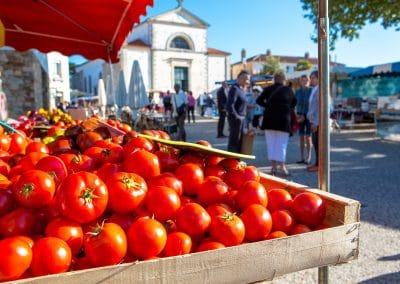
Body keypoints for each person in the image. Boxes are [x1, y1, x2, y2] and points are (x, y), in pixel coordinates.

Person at [256, 71, 297, 176]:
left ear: (274, 79)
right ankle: (282, 167)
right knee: (282, 144)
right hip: (284, 120)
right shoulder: (289, 90)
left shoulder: (268, 89)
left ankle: (273, 167)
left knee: (271, 144)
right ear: (284, 79)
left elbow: (259, 100)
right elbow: (294, 103)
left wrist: (268, 106)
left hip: (269, 120)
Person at [226, 70, 250, 153]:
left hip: (242, 119)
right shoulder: (234, 89)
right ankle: (232, 162)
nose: (248, 81)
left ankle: (237, 162)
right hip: (236, 120)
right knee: (234, 142)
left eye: (248, 79)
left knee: (239, 142)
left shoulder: (242, 90)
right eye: (246, 79)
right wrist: (237, 117)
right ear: (240, 79)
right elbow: (230, 105)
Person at [295, 74, 312, 164]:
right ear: (300, 82)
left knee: (308, 137)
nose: (304, 82)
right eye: (303, 80)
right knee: (301, 136)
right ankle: (301, 157)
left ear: (308, 82)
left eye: (306, 80)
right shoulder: (297, 91)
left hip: (309, 115)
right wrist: (295, 114)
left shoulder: (311, 90)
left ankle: (308, 156)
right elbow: (294, 104)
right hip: (300, 115)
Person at [306, 70, 319, 172]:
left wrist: (316, 122)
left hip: (317, 122)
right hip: (312, 120)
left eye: (313, 77)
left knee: (318, 143)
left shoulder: (320, 90)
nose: (311, 80)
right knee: (315, 142)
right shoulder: (314, 89)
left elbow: (320, 107)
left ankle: (319, 164)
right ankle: (317, 163)